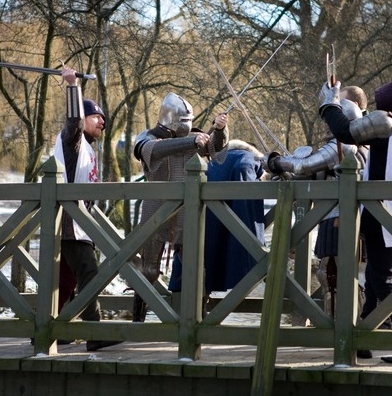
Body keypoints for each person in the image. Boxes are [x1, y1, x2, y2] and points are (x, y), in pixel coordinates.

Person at [318, 76, 392, 365]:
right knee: (375, 277)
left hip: (384, 209)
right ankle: (366, 337)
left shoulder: (390, 122)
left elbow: (346, 132)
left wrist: (328, 103)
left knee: (381, 279)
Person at [267, 98, 368, 321]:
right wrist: (288, 175)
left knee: (345, 276)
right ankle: (332, 325)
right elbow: (310, 173)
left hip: (345, 219)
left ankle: (349, 327)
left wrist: (277, 162)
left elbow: (306, 165)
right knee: (329, 275)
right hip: (329, 219)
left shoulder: (346, 146)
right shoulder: (338, 147)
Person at [132, 92, 229, 322]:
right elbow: (153, 150)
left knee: (196, 268)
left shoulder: (196, 137)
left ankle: (199, 319)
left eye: (189, 122)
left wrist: (220, 130)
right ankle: (138, 319)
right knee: (149, 270)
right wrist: (191, 142)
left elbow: (218, 153)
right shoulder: (146, 136)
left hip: (187, 210)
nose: (187, 127)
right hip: (156, 209)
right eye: (182, 121)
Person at [52, 66, 121, 352]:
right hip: (70, 221)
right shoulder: (74, 140)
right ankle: (95, 331)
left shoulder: (88, 147)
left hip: (80, 221)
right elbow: (73, 123)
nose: (102, 122)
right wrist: (72, 87)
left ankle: (56, 330)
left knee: (66, 280)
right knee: (89, 274)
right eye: (97, 117)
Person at [167, 139, 266, 297]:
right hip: (226, 214)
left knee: (202, 259)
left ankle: (195, 307)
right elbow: (244, 168)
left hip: (199, 216)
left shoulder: (215, 162)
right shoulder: (249, 156)